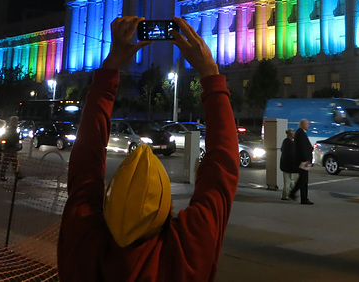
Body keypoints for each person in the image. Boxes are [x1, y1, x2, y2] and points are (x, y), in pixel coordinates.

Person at [57, 16, 240, 282]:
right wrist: (210, 74)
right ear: (165, 206)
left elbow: (85, 159)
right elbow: (222, 166)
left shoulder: (84, 241)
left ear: (110, 199)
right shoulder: (185, 250)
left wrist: (109, 69)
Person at [288, 118, 313, 205]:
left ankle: (293, 193)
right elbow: (302, 148)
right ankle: (303, 198)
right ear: (303, 125)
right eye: (307, 124)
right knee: (304, 179)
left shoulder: (300, 133)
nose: (308, 125)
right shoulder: (301, 133)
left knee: (302, 179)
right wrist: (306, 159)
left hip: (303, 160)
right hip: (303, 161)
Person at [279, 128, 298, 200]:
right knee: (289, 181)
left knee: (287, 180)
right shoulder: (291, 143)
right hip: (289, 165)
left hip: (285, 164)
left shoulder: (285, 142)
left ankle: (285, 195)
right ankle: (287, 195)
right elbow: (292, 155)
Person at [0, 116, 20, 182]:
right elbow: (11, 138)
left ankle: (17, 175)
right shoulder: (12, 129)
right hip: (10, 147)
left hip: (10, 147)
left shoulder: (11, 129)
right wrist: (15, 143)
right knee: (10, 162)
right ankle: (16, 175)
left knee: (11, 162)